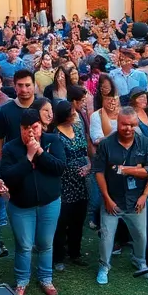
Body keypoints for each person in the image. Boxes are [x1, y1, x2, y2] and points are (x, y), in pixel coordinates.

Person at [0, 107, 66, 295]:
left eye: (35, 127)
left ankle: (46, 278)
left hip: (50, 202)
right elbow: (8, 177)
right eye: (26, 128)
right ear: (20, 128)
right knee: (24, 245)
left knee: (46, 243)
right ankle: (22, 280)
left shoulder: (53, 141)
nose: (31, 132)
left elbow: (60, 168)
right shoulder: (10, 148)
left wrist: (41, 153)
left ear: (41, 126)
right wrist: (29, 157)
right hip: (21, 205)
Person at [93, 107, 148, 285]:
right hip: (113, 199)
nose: (128, 128)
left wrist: (144, 195)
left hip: (136, 200)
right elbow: (98, 172)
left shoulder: (144, 143)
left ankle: (139, 260)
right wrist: (107, 198)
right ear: (117, 123)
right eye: (124, 124)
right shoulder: (106, 144)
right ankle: (104, 266)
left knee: (141, 235)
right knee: (106, 236)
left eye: (132, 125)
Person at [51, 100, 90, 270]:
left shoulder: (78, 130)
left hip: (81, 183)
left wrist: (88, 166)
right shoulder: (55, 135)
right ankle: (58, 256)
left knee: (78, 220)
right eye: (72, 113)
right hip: (64, 184)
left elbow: (85, 152)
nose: (75, 115)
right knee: (62, 221)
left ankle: (75, 252)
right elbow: (57, 161)